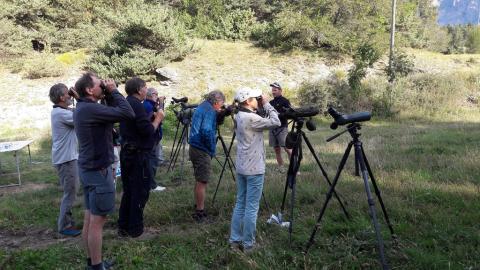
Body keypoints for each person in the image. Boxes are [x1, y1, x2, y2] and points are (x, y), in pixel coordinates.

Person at [73, 72, 135, 270]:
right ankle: (97, 266)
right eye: (100, 84)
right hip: (99, 171)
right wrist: (115, 91)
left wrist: (108, 95)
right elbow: (128, 114)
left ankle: (93, 262)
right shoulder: (90, 109)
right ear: (90, 90)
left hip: (88, 169)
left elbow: (113, 113)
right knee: (97, 222)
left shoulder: (85, 107)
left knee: (90, 219)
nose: (104, 85)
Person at [229, 87, 280, 252]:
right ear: (247, 101)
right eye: (255, 98)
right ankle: (248, 244)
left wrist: (260, 105)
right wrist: (266, 104)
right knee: (251, 207)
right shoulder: (251, 117)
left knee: (240, 203)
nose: (257, 100)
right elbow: (276, 121)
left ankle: (234, 240)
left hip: (242, 166)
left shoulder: (238, 115)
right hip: (254, 168)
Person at [118, 78, 165, 237]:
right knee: (140, 192)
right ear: (139, 90)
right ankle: (135, 230)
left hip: (128, 152)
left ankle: (123, 227)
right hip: (138, 155)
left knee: (129, 191)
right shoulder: (137, 105)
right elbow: (147, 131)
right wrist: (158, 118)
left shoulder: (127, 102)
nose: (147, 89)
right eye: (145, 87)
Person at [49, 83, 80, 237]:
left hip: (66, 158)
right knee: (70, 192)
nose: (69, 95)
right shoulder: (61, 114)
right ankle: (64, 226)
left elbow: (77, 112)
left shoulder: (60, 111)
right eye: (67, 94)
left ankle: (68, 222)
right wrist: (80, 98)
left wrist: (75, 98)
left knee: (71, 191)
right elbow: (82, 116)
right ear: (61, 97)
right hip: (66, 160)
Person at [189, 90, 225, 222]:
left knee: (199, 179)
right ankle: (200, 212)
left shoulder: (203, 105)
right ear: (216, 102)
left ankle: (198, 205)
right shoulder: (209, 111)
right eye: (221, 104)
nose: (220, 108)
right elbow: (206, 131)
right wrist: (211, 148)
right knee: (202, 180)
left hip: (194, 146)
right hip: (201, 148)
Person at [143, 87, 167, 192]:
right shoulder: (148, 105)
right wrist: (161, 102)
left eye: (157, 94)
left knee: (152, 160)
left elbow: (161, 115)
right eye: (155, 94)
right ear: (148, 95)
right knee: (151, 161)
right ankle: (151, 186)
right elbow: (160, 116)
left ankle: (149, 184)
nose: (157, 96)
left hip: (153, 137)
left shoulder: (151, 105)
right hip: (151, 138)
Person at [268, 82, 292, 172]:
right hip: (272, 129)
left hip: (282, 128)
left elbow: (290, 113)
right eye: (272, 90)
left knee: (288, 149)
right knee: (277, 150)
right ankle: (281, 168)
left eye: (275, 90)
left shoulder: (285, 101)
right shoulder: (270, 102)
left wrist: (279, 115)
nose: (273, 92)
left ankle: (294, 169)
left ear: (280, 90)